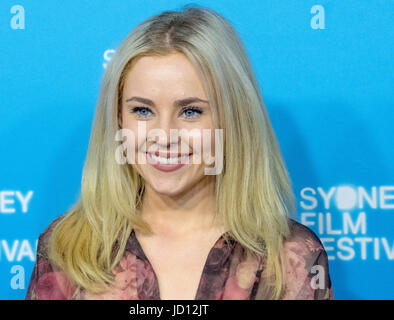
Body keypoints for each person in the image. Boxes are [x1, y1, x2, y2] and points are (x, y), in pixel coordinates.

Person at [25, 5, 333, 300]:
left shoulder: (290, 258)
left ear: (233, 118)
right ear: (118, 118)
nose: (165, 136)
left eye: (190, 111)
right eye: (143, 110)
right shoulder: (67, 249)